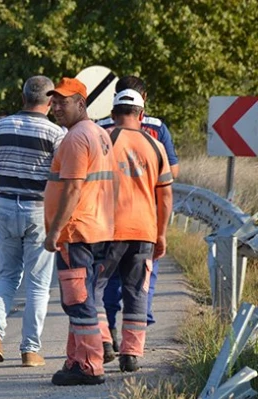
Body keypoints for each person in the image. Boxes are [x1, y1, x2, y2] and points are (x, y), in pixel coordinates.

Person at [0, 76, 66, 367]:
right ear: (51, 100)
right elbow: (61, 178)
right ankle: (30, 350)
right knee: (39, 285)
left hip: (4, 205)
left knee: (7, 275)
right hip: (37, 210)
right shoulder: (56, 133)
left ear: (23, 98)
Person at [96, 76, 180, 351]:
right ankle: (132, 351)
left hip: (105, 226)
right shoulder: (155, 134)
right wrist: (162, 232)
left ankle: (105, 337)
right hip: (145, 224)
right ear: (142, 110)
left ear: (112, 110)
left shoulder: (99, 133)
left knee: (100, 285)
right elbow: (168, 183)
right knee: (139, 287)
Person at [43, 77, 116, 386]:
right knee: (84, 298)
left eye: (65, 101)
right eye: (54, 101)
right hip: (99, 228)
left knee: (77, 300)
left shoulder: (75, 138)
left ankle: (88, 365)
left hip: (77, 232)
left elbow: (73, 188)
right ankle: (77, 358)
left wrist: (54, 231)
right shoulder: (100, 134)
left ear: (82, 104)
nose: (57, 107)